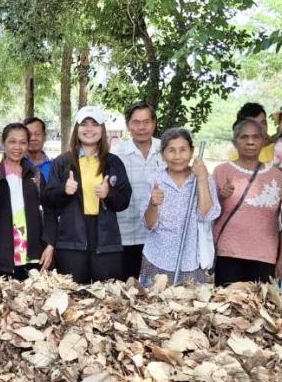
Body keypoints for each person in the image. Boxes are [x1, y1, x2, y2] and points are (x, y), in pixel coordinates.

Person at [42, 106, 132, 284]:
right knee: (73, 295)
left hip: (106, 240)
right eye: (84, 124)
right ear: (77, 129)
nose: (89, 129)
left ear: (102, 129)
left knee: (107, 295)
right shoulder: (62, 162)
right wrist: (63, 190)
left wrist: (109, 193)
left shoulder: (113, 162)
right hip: (71, 240)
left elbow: (124, 201)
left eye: (95, 124)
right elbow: (48, 199)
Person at [212, 118, 282, 285]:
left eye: (256, 137)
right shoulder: (222, 171)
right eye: (244, 137)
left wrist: (281, 259)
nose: (250, 142)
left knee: (258, 308)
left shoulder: (276, 176)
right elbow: (208, 214)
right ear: (234, 142)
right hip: (228, 253)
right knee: (227, 307)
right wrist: (221, 196)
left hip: (264, 256)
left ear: (264, 142)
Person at [0, 122, 55, 279]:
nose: (17, 147)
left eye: (22, 142)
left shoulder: (35, 175)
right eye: (12, 141)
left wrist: (50, 245)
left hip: (33, 256)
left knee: (32, 301)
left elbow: (49, 211)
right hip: (0, 258)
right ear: (3, 143)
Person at [140, 129, 220, 286]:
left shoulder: (203, 177)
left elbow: (207, 215)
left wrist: (202, 179)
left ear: (192, 152)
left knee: (189, 309)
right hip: (157, 259)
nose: (177, 156)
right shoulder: (154, 180)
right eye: (171, 150)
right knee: (152, 307)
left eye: (183, 150)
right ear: (162, 154)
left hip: (192, 262)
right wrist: (153, 203)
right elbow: (149, 225)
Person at [113, 103, 163, 279]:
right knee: (128, 290)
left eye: (146, 122)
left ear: (154, 123)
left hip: (160, 235)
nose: (141, 127)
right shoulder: (117, 154)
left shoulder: (167, 150)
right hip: (126, 235)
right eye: (136, 122)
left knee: (158, 291)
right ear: (128, 125)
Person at [24, 116, 54, 183]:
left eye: (37, 134)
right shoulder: (17, 164)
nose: (33, 138)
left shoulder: (54, 166)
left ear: (44, 137)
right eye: (28, 135)